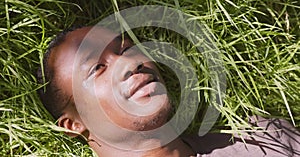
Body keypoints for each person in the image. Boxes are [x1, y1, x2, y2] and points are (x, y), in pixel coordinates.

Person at [37, 26, 300, 157]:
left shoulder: (265, 141)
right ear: (73, 124)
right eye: (97, 68)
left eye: (126, 48)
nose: (129, 63)